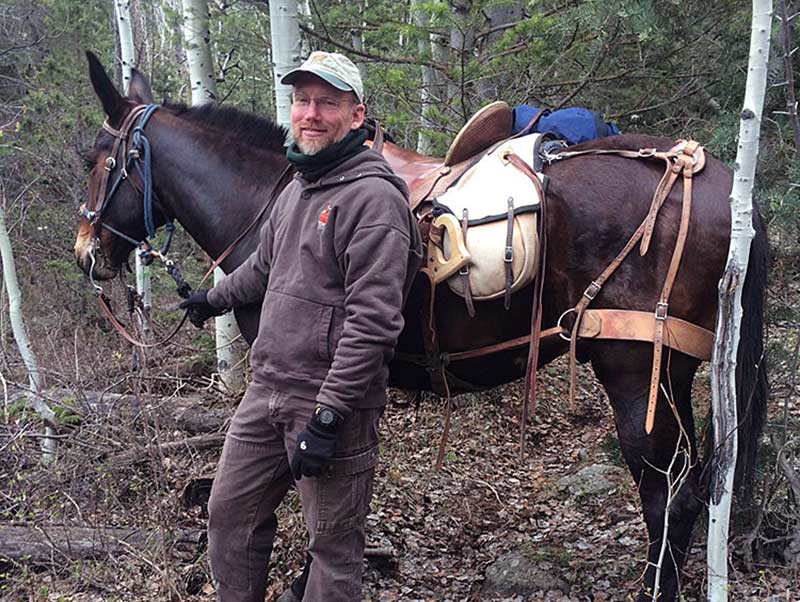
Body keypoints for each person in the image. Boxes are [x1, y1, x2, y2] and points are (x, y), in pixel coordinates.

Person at [180, 51, 423, 602]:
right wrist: (212, 299)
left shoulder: (375, 201)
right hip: (266, 390)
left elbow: (374, 322)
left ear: (356, 116)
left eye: (327, 103)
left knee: (333, 552)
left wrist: (331, 413)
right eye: (302, 101)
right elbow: (266, 266)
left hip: (330, 404)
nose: (310, 113)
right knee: (229, 515)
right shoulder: (298, 187)